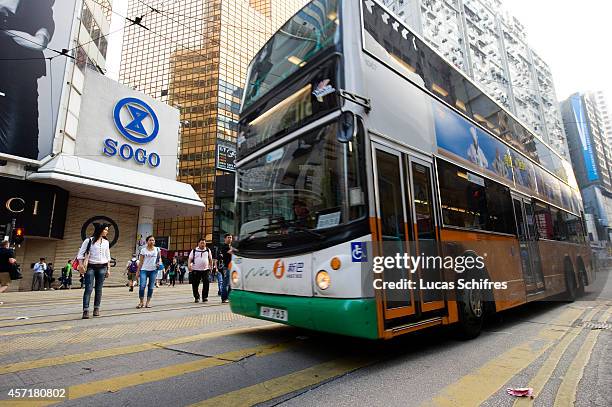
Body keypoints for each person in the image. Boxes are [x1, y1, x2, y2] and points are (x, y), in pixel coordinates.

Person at [0, 0, 55, 159]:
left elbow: (39, 42)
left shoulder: (40, 7)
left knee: (21, 147)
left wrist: (8, 32)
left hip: (20, 77)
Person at [77, 224, 111, 319]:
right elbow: (80, 254)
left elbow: (107, 256)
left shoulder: (106, 242)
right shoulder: (88, 240)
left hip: (102, 267)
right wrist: (81, 265)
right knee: (88, 288)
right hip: (90, 267)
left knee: (99, 289)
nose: (107, 232)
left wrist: (108, 269)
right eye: (105, 230)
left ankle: (96, 309)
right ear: (100, 230)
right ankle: (86, 310)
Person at [137, 235, 161, 309]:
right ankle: (141, 302)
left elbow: (159, 259)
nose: (152, 241)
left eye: (153, 240)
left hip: (153, 270)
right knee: (142, 286)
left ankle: (148, 303)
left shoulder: (157, 249)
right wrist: (138, 271)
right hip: (144, 270)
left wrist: (159, 264)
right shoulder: (143, 250)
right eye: (150, 240)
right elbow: (141, 262)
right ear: (147, 241)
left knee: (151, 287)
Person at [188, 238, 212, 303]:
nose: (203, 244)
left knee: (206, 283)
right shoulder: (194, 250)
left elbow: (210, 259)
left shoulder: (207, 250)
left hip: (205, 270)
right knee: (195, 284)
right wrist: (189, 265)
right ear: (198, 243)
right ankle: (196, 297)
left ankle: (205, 297)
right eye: (201, 243)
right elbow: (190, 259)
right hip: (196, 270)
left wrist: (211, 267)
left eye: (204, 243)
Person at [217, 234, 234, 303]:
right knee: (225, 283)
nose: (230, 239)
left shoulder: (231, 246)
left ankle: (229, 297)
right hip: (226, 267)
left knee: (231, 283)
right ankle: (224, 298)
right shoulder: (224, 246)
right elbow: (230, 252)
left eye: (231, 238)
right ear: (225, 239)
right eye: (228, 237)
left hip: (232, 267)